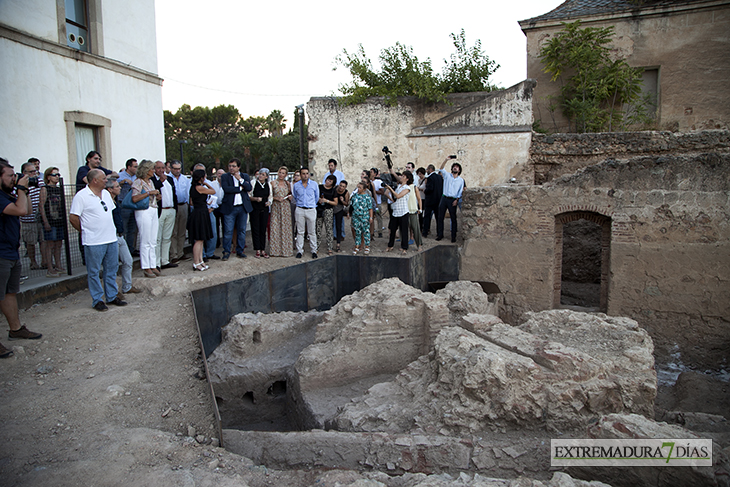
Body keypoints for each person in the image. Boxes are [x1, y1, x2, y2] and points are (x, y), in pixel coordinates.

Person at [0, 159, 42, 358]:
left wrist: (19, 190)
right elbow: (21, 210)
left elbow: (26, 210)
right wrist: (21, 189)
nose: (14, 178)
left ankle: (15, 329)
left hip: (10, 251)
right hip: (1, 254)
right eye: (9, 175)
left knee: (10, 293)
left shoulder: (6, 195)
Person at [69, 169, 127, 311]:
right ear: (94, 180)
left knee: (111, 269)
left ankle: (112, 295)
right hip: (93, 241)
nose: (106, 181)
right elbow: (73, 217)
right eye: (103, 179)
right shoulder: (81, 196)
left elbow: (110, 212)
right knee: (94, 271)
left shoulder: (106, 194)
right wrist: (84, 231)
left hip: (110, 238)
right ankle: (97, 299)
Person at [106, 178, 140, 295]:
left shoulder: (116, 202)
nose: (120, 188)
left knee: (128, 261)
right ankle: (113, 291)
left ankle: (127, 286)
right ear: (110, 190)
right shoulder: (106, 203)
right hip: (111, 236)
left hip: (120, 236)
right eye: (117, 187)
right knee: (112, 265)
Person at [130, 160, 160, 278]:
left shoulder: (150, 181)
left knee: (153, 239)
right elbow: (135, 198)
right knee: (145, 239)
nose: (153, 171)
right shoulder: (138, 182)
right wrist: (148, 193)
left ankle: (153, 264)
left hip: (153, 208)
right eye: (152, 169)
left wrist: (156, 196)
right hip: (143, 211)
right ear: (147, 170)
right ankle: (146, 266)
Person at [219, 158, 252, 260]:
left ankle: (240, 250)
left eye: (233, 166)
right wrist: (240, 188)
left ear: (238, 167)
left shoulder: (244, 176)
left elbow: (249, 188)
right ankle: (226, 251)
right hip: (230, 207)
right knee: (228, 231)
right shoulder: (225, 176)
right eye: (230, 166)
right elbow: (226, 189)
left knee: (242, 230)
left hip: (242, 207)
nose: (231, 168)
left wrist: (240, 180)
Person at [39, 167, 66, 277]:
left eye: (58, 175)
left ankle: (58, 265)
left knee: (59, 244)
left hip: (59, 220)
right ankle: (50, 268)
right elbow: (41, 206)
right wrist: (45, 222)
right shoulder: (45, 189)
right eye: (54, 175)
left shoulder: (59, 189)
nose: (57, 177)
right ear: (48, 177)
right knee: (50, 244)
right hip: (50, 220)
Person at [187, 169, 216, 271]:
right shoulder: (199, 187)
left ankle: (200, 261)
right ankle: (196, 262)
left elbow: (191, 202)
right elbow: (213, 191)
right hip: (200, 214)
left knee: (201, 239)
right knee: (198, 240)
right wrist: (206, 184)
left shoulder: (193, 188)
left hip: (200, 211)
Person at [152, 160, 177, 271]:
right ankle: (156, 263)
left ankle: (165, 260)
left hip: (170, 209)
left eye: (163, 168)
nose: (161, 170)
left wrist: (175, 209)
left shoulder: (170, 179)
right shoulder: (152, 180)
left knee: (167, 237)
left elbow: (174, 194)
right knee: (157, 238)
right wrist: (160, 181)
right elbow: (154, 191)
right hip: (159, 211)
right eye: (158, 168)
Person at [19, 161, 44, 271]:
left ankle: (45, 261)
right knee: (30, 242)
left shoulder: (39, 181)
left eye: (35, 171)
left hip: (40, 218)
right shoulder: (21, 183)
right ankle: (33, 262)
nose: (35, 173)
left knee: (43, 240)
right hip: (27, 219)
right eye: (32, 171)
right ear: (24, 172)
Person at [292, 167, 319, 259]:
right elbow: (295, 196)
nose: (305, 175)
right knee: (300, 231)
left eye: (306, 173)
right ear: (300, 174)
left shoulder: (314, 184)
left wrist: (311, 204)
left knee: (312, 231)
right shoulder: (296, 185)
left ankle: (314, 250)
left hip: (311, 209)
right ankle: (300, 250)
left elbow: (316, 197)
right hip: (300, 209)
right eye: (303, 173)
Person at [436, 157, 465, 243]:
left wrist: (457, 200)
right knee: (440, 217)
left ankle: (453, 237)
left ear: (459, 170)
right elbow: (441, 168)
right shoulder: (447, 175)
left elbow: (460, 191)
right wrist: (446, 159)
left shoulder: (461, 180)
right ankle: (440, 235)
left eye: (457, 167)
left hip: (453, 200)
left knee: (453, 218)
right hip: (444, 198)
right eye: (454, 167)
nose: (455, 168)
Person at [383, 171, 412, 254]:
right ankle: (390, 245)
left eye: (403, 176)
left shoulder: (407, 188)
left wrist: (390, 189)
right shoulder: (399, 186)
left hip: (403, 212)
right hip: (396, 211)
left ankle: (404, 248)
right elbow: (394, 197)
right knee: (392, 230)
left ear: (407, 179)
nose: (401, 177)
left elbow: (398, 196)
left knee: (404, 231)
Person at [169, 160, 191, 263]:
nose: (177, 171)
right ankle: (173, 255)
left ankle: (180, 252)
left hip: (183, 205)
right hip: (173, 206)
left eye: (179, 168)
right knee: (173, 231)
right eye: (175, 168)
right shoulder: (167, 178)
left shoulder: (184, 179)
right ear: (171, 168)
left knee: (182, 231)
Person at [269, 166, 293, 257]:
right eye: (280, 172)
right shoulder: (273, 183)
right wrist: (276, 198)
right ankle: (275, 250)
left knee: (286, 228)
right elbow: (269, 196)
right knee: (275, 227)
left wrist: (290, 197)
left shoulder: (287, 184)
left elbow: (289, 193)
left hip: (286, 207)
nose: (281, 174)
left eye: (283, 173)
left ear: (286, 175)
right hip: (276, 207)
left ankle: (286, 250)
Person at [117, 158, 138, 254]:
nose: (136, 169)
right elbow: (112, 184)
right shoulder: (120, 176)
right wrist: (123, 181)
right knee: (124, 229)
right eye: (135, 167)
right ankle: (122, 252)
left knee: (132, 229)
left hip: (134, 205)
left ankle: (131, 249)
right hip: (124, 205)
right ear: (128, 167)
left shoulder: (136, 177)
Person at [249, 168, 272, 258]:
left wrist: (269, 202)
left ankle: (263, 249)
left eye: (262, 175)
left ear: (266, 176)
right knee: (255, 229)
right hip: (255, 209)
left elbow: (270, 196)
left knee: (263, 229)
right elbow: (249, 195)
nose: (260, 176)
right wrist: (255, 199)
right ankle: (257, 249)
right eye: (259, 174)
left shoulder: (268, 184)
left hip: (264, 209)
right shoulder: (253, 183)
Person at [315, 175, 337, 256]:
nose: (327, 182)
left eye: (330, 181)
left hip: (328, 210)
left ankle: (330, 247)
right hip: (319, 210)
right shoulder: (319, 187)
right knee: (318, 229)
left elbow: (335, 202)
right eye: (327, 180)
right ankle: (316, 247)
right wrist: (319, 200)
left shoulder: (333, 191)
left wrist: (326, 201)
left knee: (329, 229)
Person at [350, 181, 373, 255]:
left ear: (364, 189)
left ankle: (367, 246)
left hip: (364, 216)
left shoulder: (367, 197)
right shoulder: (355, 196)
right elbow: (351, 205)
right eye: (358, 187)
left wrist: (371, 217)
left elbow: (370, 208)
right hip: (356, 217)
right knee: (357, 232)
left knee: (366, 232)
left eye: (360, 187)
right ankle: (357, 246)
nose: (358, 189)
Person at [422, 164, 443, 238]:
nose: (426, 171)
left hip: (430, 201)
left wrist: (425, 190)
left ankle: (425, 232)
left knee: (427, 217)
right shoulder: (440, 177)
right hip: (438, 200)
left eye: (427, 169)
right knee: (438, 218)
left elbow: (430, 188)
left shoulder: (430, 178)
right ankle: (439, 233)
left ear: (430, 169)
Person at [407, 171, 424, 251]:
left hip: (413, 210)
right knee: (404, 228)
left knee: (415, 228)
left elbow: (419, 198)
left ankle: (419, 244)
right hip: (405, 211)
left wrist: (420, 209)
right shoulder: (402, 187)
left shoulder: (414, 187)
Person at [332, 180, 349, 252]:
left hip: (339, 209)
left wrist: (342, 201)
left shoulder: (346, 192)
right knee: (331, 225)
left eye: (343, 186)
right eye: (340, 185)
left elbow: (346, 203)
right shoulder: (334, 189)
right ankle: (330, 242)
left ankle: (338, 243)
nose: (341, 187)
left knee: (338, 226)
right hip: (332, 208)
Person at [370, 168, 386, 237]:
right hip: (370, 202)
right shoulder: (368, 181)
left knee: (378, 217)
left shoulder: (379, 181)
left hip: (377, 202)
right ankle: (371, 232)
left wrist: (373, 191)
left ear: (375, 174)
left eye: (371, 172)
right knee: (371, 218)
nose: (370, 173)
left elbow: (382, 192)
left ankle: (380, 231)